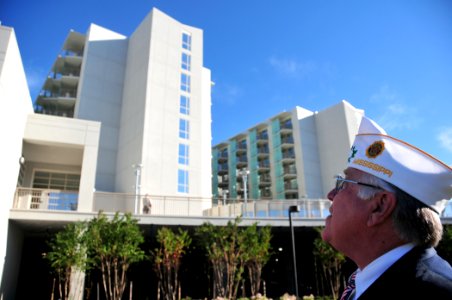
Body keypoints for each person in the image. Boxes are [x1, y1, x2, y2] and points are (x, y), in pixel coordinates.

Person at [321, 116, 452, 299]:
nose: (331, 195)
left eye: (343, 184)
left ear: (380, 206)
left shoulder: (436, 292)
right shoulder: (364, 280)